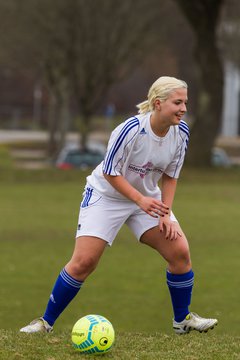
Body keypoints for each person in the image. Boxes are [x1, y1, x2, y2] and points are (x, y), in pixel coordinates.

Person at [20, 76, 218, 335]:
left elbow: (170, 176)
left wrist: (165, 214)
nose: (183, 108)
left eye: (185, 102)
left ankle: (182, 320)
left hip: (146, 200)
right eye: (177, 102)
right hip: (107, 195)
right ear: (158, 103)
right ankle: (44, 323)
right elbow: (111, 173)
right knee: (84, 262)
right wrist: (141, 200)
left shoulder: (181, 132)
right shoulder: (130, 130)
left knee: (180, 252)